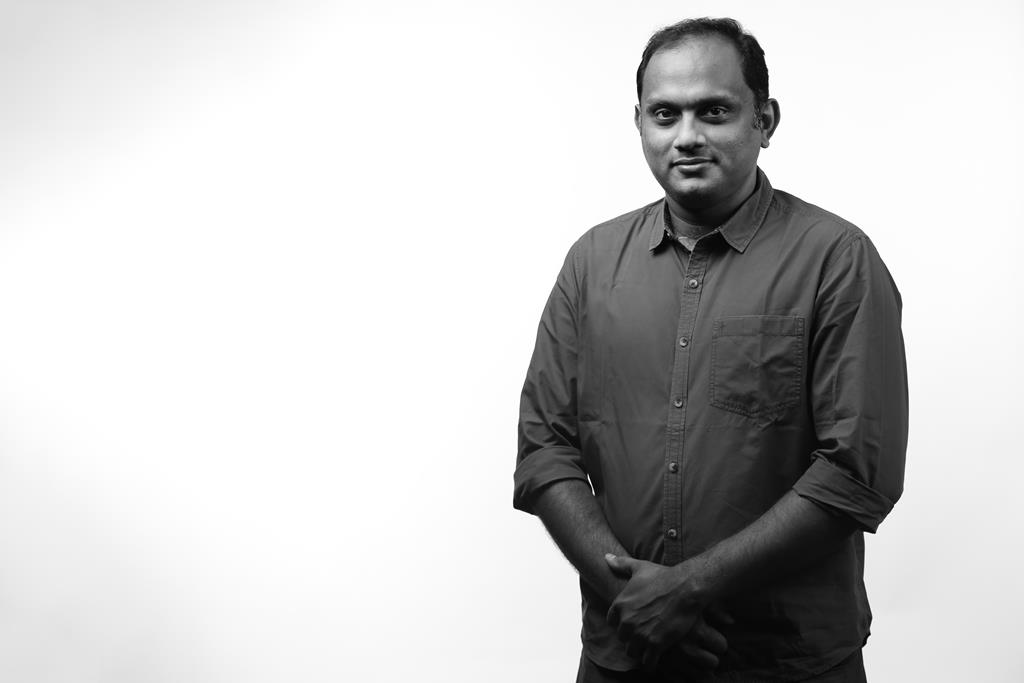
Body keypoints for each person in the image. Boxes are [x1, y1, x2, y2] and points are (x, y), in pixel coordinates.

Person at [513, 17, 908, 683]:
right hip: (624, 654)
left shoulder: (837, 260)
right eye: (665, 114)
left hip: (785, 661)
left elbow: (856, 472)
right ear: (639, 122)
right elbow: (543, 448)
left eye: (715, 111)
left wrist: (688, 588)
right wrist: (632, 596)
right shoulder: (591, 263)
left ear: (765, 120)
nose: (687, 135)